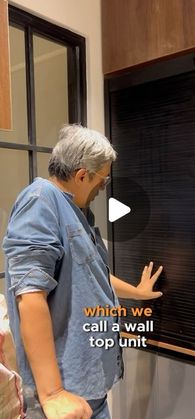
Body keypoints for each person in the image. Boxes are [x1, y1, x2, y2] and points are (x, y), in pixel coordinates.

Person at [2, 124, 163, 419]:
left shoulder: (75, 212)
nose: (103, 189)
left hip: (88, 388)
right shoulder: (40, 201)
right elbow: (31, 294)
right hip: (63, 395)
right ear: (81, 175)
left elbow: (88, 275)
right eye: (102, 181)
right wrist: (53, 393)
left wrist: (136, 292)